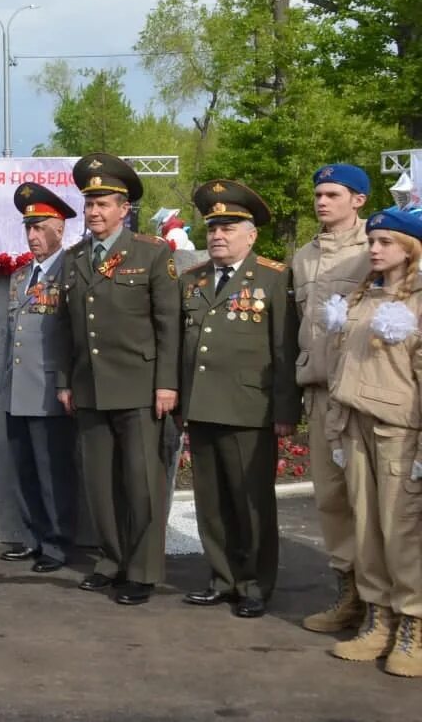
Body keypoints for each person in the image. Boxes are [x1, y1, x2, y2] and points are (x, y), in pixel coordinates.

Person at [56, 153, 178, 606]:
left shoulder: (151, 254)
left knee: (142, 482)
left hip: (140, 387)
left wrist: (166, 384)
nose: (93, 212)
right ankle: (110, 560)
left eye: (103, 203)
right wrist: (64, 380)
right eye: (89, 204)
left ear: (124, 208)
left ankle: (143, 571)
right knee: (100, 484)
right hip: (89, 388)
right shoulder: (74, 258)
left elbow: (168, 324)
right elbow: (65, 327)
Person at [178, 181, 299, 618]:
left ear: (252, 235)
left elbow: (284, 349)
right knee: (210, 503)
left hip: (251, 408)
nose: (217, 236)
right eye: (212, 228)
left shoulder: (272, 277)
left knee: (251, 503)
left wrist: (285, 410)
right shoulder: (191, 281)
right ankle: (222, 578)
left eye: (229, 228)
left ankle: (254, 584)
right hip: (202, 404)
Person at [324, 206, 422, 677]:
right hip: (357, 426)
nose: (375, 249)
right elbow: (344, 366)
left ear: (411, 248)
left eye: (386, 242)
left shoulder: (418, 300)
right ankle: (377, 619)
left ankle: (413, 625)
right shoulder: (364, 297)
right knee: (365, 528)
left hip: (400, 432)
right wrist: (336, 429)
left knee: (402, 531)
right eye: (373, 242)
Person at [292, 164, 371, 633]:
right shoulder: (303, 256)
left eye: (334, 194)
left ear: (358, 199)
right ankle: (350, 596)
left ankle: (385, 602)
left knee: (375, 502)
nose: (322, 202)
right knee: (331, 500)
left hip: (362, 396)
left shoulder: (378, 248)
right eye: (319, 194)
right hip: (320, 392)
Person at [0, 182, 77, 573]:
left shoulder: (72, 271)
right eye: (28, 228)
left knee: (52, 473)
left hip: (49, 391)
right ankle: (32, 537)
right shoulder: (20, 276)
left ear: (59, 229)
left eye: (40, 227)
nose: (32, 236)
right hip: (17, 389)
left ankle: (57, 545)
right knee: (24, 471)